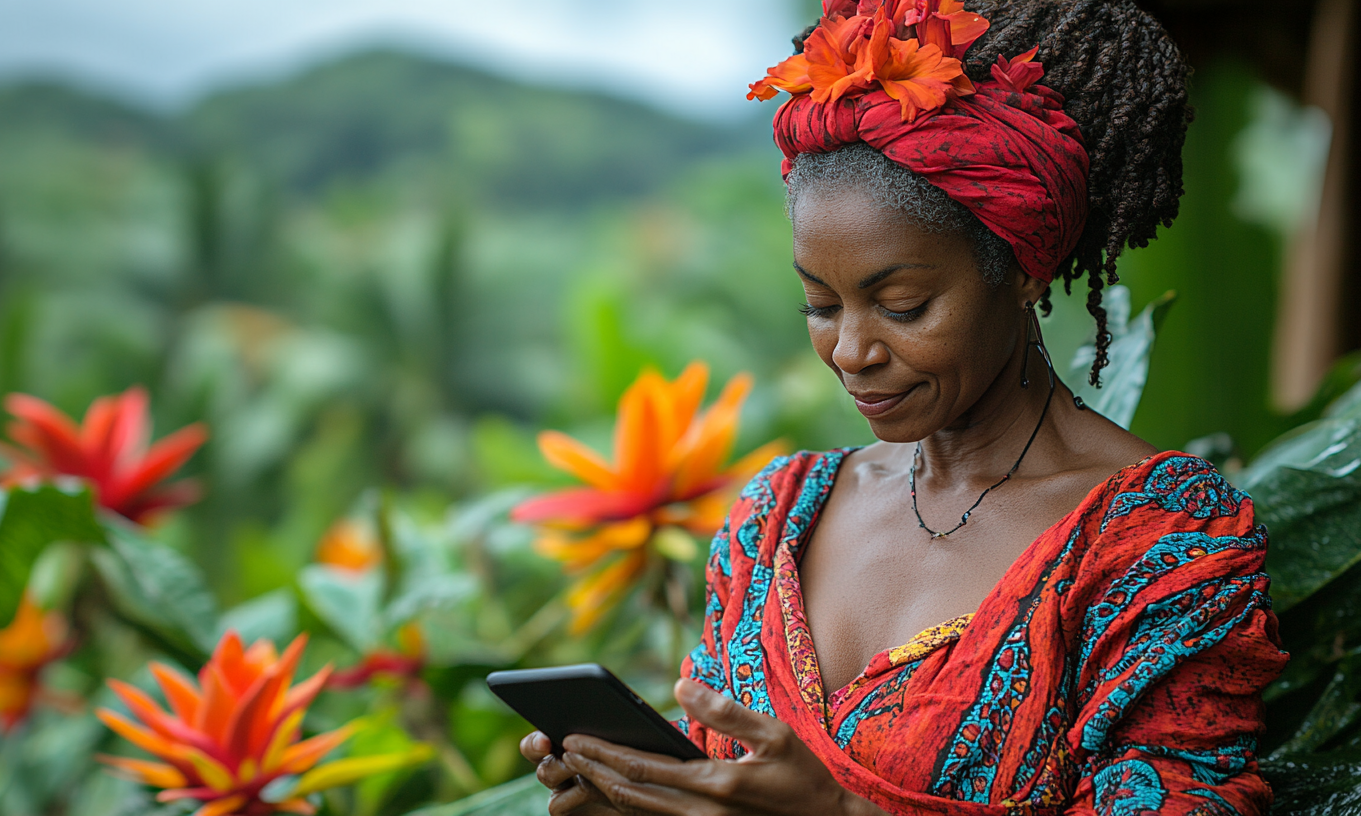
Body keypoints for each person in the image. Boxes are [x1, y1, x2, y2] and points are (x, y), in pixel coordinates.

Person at [520, 0, 1290, 813]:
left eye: (905, 304)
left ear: (1025, 268)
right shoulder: (774, 521)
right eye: (821, 306)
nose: (852, 351)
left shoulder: (1160, 543)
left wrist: (843, 810)